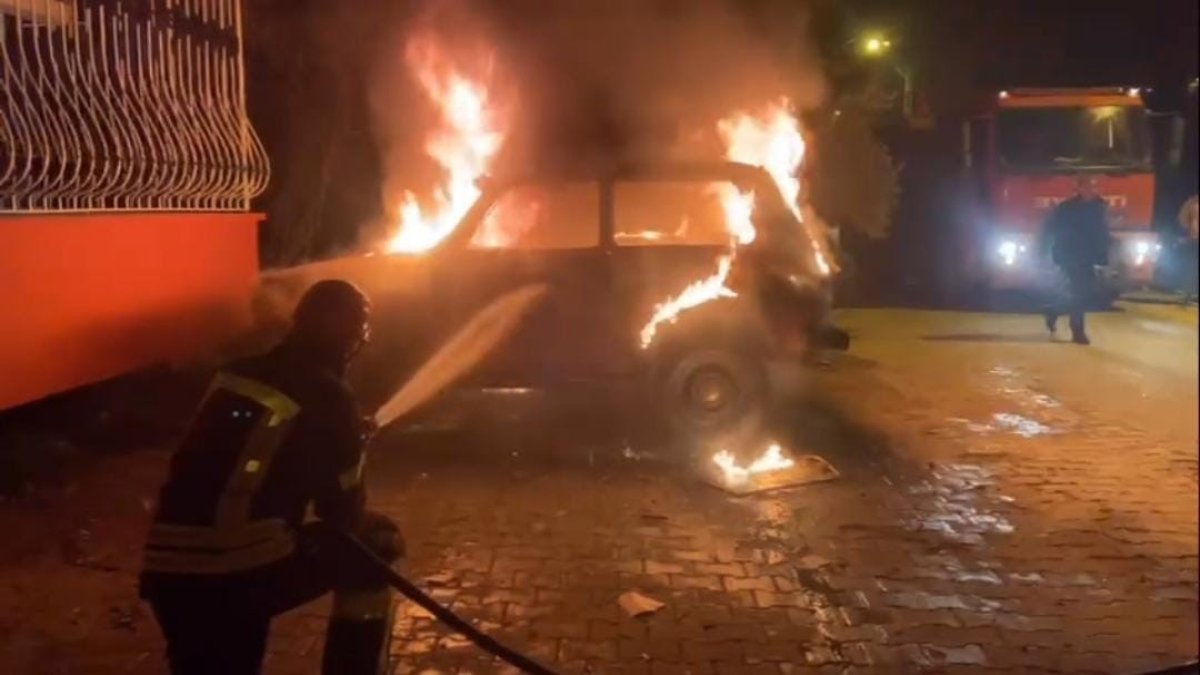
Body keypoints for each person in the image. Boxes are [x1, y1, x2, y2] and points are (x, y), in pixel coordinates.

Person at [139, 279, 403, 675]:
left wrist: (334, 439)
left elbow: (255, 450)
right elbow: (342, 515)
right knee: (376, 541)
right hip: (234, 574)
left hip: (166, 571)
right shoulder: (330, 396)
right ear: (351, 339)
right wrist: (350, 445)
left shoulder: (238, 373)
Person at [1040, 175, 1112, 345]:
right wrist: (1052, 252)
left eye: (1094, 187)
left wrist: (1105, 255)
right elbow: (1052, 230)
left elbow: (1102, 233)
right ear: (1078, 189)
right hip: (1071, 255)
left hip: (1089, 256)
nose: (1091, 190)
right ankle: (1078, 332)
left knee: (1087, 293)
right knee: (1080, 292)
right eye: (1087, 187)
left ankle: (1054, 311)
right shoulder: (1066, 208)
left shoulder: (1100, 207)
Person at [1178, 195, 1198, 305]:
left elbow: (1183, 220)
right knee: (1192, 268)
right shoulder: (1192, 203)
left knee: (1191, 268)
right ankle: (1188, 295)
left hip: (1193, 239)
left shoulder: (1191, 203)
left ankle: (1187, 296)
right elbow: (1183, 220)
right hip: (1193, 240)